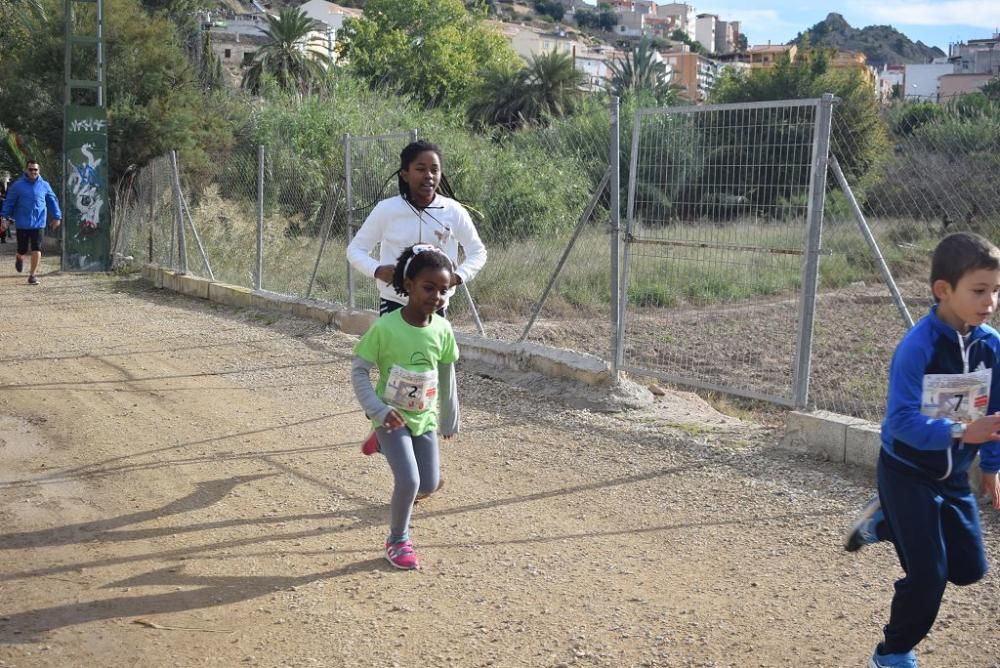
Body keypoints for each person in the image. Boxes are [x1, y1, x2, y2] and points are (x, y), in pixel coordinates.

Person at [844, 231, 1000, 668]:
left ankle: (884, 522)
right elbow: (900, 423)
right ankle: (891, 654)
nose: (989, 301)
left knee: (969, 570)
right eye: (979, 290)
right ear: (943, 291)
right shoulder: (918, 347)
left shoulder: (992, 345)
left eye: (996, 290)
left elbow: (996, 414)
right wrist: (959, 433)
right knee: (929, 576)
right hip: (906, 471)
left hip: (952, 477)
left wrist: (991, 466)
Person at [346, 140, 486, 460]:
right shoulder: (387, 210)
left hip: (434, 307)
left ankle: (415, 432)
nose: (428, 176)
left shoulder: (452, 211)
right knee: (394, 371)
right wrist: (376, 269)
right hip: (395, 303)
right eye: (420, 169)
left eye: (434, 169)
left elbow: (478, 252)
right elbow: (355, 250)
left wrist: (458, 277)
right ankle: (385, 426)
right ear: (405, 173)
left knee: (429, 371)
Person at [350, 244, 460, 570]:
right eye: (429, 288)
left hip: (422, 419)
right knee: (410, 482)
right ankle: (397, 540)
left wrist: (449, 417)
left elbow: (446, 372)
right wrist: (377, 410)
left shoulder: (442, 329)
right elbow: (358, 371)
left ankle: (382, 446)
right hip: (390, 417)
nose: (437, 296)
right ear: (408, 285)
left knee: (428, 484)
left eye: (444, 290)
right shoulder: (385, 328)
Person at [0, 159, 62, 285]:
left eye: (36, 169)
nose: (33, 171)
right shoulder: (17, 186)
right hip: (22, 223)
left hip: (39, 223)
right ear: (26, 170)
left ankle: (32, 275)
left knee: (37, 248)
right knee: (22, 249)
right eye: (31, 169)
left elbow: (52, 200)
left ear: (39, 171)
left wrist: (57, 216)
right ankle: (19, 257)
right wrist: (4, 218)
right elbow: (9, 203)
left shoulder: (44, 185)